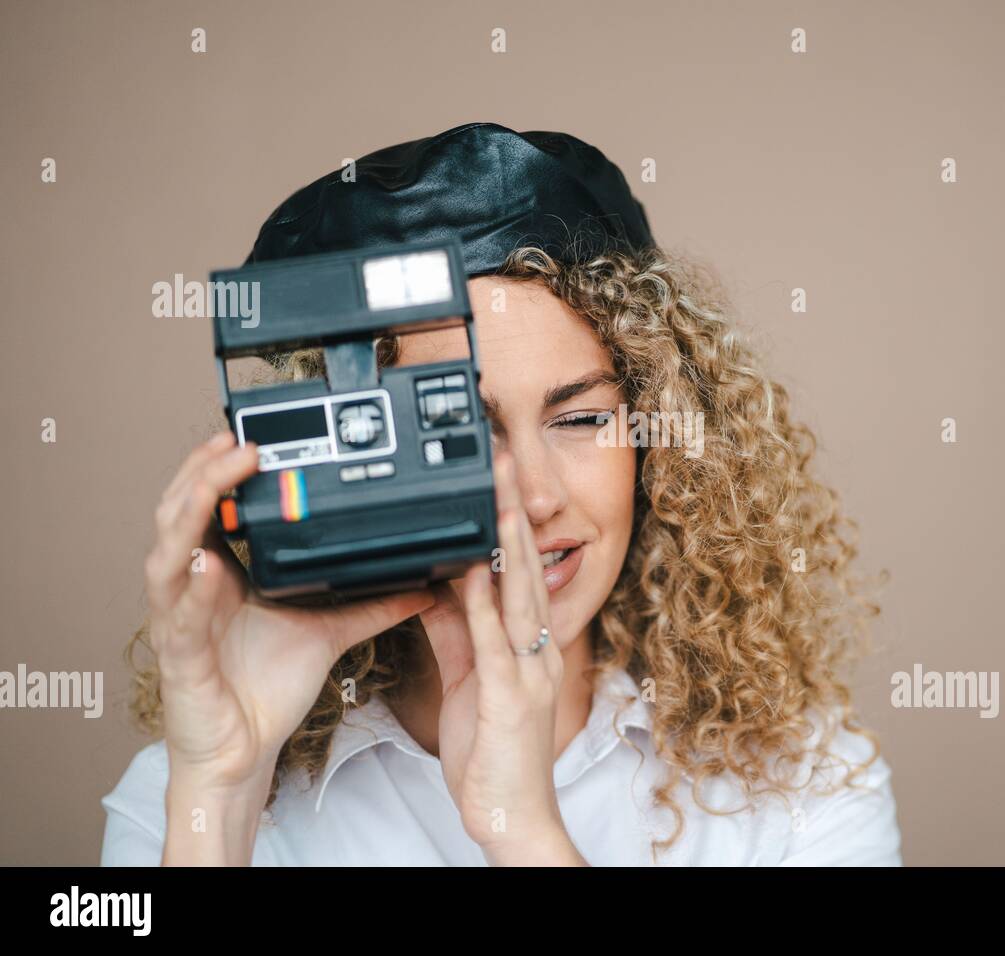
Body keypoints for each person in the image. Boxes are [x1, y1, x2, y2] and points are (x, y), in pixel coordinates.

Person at [101, 123, 902, 866]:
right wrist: (224, 790)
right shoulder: (186, 798)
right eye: (460, 428)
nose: (531, 498)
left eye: (582, 417)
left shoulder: (807, 788)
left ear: (655, 440)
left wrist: (523, 831)